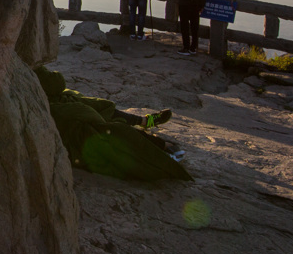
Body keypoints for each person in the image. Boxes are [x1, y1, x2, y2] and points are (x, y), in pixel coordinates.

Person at [35, 67, 189, 182]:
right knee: (107, 127)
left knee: (98, 106)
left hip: (55, 104)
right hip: (58, 116)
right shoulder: (28, 62)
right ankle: (160, 145)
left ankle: (144, 121)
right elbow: (55, 83)